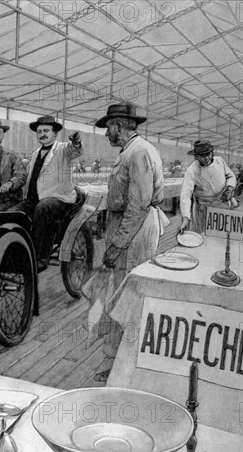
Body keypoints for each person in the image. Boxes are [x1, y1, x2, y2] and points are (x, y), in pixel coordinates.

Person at [84, 103, 165, 381]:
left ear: (120, 125)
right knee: (120, 294)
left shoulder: (139, 152)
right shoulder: (130, 151)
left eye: (108, 127)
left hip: (136, 232)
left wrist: (118, 243)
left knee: (128, 296)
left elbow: (139, 205)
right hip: (129, 227)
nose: (106, 133)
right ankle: (118, 359)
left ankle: (124, 364)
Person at [13, 115, 83, 272]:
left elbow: (75, 151)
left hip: (59, 199)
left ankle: (40, 257)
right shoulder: (35, 152)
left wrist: (76, 142)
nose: (42, 134)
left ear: (55, 133)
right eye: (39, 132)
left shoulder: (63, 149)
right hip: (33, 200)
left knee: (44, 208)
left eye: (46, 131)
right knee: (13, 213)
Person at [179, 140, 237, 234]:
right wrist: (186, 218)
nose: (206, 158)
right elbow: (185, 195)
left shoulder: (220, 161)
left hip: (222, 202)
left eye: (208, 154)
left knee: (223, 232)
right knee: (203, 234)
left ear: (212, 153)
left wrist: (230, 188)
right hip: (203, 208)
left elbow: (230, 175)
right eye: (202, 155)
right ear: (196, 156)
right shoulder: (192, 170)